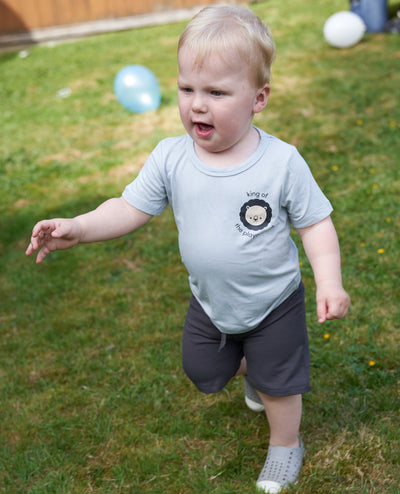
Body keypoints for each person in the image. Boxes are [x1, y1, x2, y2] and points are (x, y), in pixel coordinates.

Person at [26, 5, 350, 493]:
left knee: (281, 386)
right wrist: (80, 226)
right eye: (187, 89)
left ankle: (285, 445)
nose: (198, 105)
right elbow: (128, 207)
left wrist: (329, 281)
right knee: (202, 371)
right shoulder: (170, 157)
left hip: (273, 302)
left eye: (217, 93)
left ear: (258, 98)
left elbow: (316, 224)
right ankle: (254, 371)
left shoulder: (281, 162)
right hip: (210, 302)